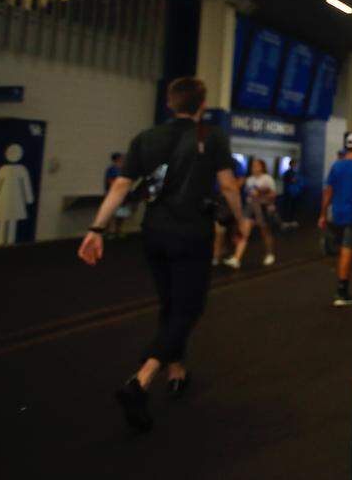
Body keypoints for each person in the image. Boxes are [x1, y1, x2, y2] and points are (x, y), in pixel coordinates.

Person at [77, 77, 249, 431]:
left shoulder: (145, 138)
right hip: (192, 233)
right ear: (201, 105)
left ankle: (177, 370)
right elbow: (229, 184)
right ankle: (142, 378)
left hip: (154, 232)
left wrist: (96, 229)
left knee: (171, 304)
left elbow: (122, 186)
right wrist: (242, 219)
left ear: (170, 103)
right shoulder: (211, 135)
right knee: (190, 306)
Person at [319, 132, 352, 306]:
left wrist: (322, 214)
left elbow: (328, 191)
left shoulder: (336, 166)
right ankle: (342, 291)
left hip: (336, 213)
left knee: (341, 249)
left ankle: (341, 277)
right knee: (347, 250)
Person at [224, 159, 277, 268]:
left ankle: (269, 254)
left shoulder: (267, 179)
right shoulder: (250, 180)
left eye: (257, 165)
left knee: (265, 232)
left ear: (262, 167)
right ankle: (236, 259)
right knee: (244, 232)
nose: (254, 167)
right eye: (253, 165)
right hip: (250, 208)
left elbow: (273, 195)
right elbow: (247, 195)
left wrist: (260, 193)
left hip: (262, 208)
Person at [211, 155, 245, 266]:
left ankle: (231, 254)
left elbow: (241, 179)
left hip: (226, 202)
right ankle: (217, 254)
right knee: (219, 230)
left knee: (229, 230)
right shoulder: (211, 160)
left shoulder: (233, 162)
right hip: (216, 200)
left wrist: (229, 189)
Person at [103, 153, 130, 237]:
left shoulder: (124, 169)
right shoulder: (111, 169)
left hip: (123, 195)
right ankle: (107, 232)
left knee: (121, 213)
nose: (123, 159)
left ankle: (118, 230)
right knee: (109, 214)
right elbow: (110, 181)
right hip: (113, 195)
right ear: (116, 159)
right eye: (121, 158)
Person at [279, 158, 303, 227]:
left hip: (294, 193)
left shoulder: (294, 173)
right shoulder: (288, 173)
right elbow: (291, 181)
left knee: (293, 207)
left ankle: (291, 220)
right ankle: (286, 221)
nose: (295, 165)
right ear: (291, 164)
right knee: (287, 207)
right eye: (294, 164)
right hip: (288, 193)